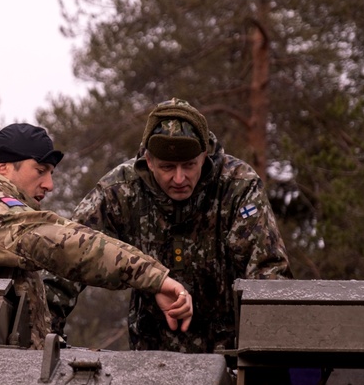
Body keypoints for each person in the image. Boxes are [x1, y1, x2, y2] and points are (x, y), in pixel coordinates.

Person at [0, 122, 193, 349]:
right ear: (3, 167)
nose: (50, 184)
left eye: (51, 173)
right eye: (40, 170)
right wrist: (154, 277)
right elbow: (60, 243)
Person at [46, 98, 291, 354]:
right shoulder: (120, 191)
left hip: (230, 356)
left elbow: (267, 272)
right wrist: (45, 337)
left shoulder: (238, 186)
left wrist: (265, 355)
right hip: (151, 357)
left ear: (204, 156)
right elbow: (68, 255)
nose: (179, 178)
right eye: (167, 167)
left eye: (189, 165)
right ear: (148, 161)